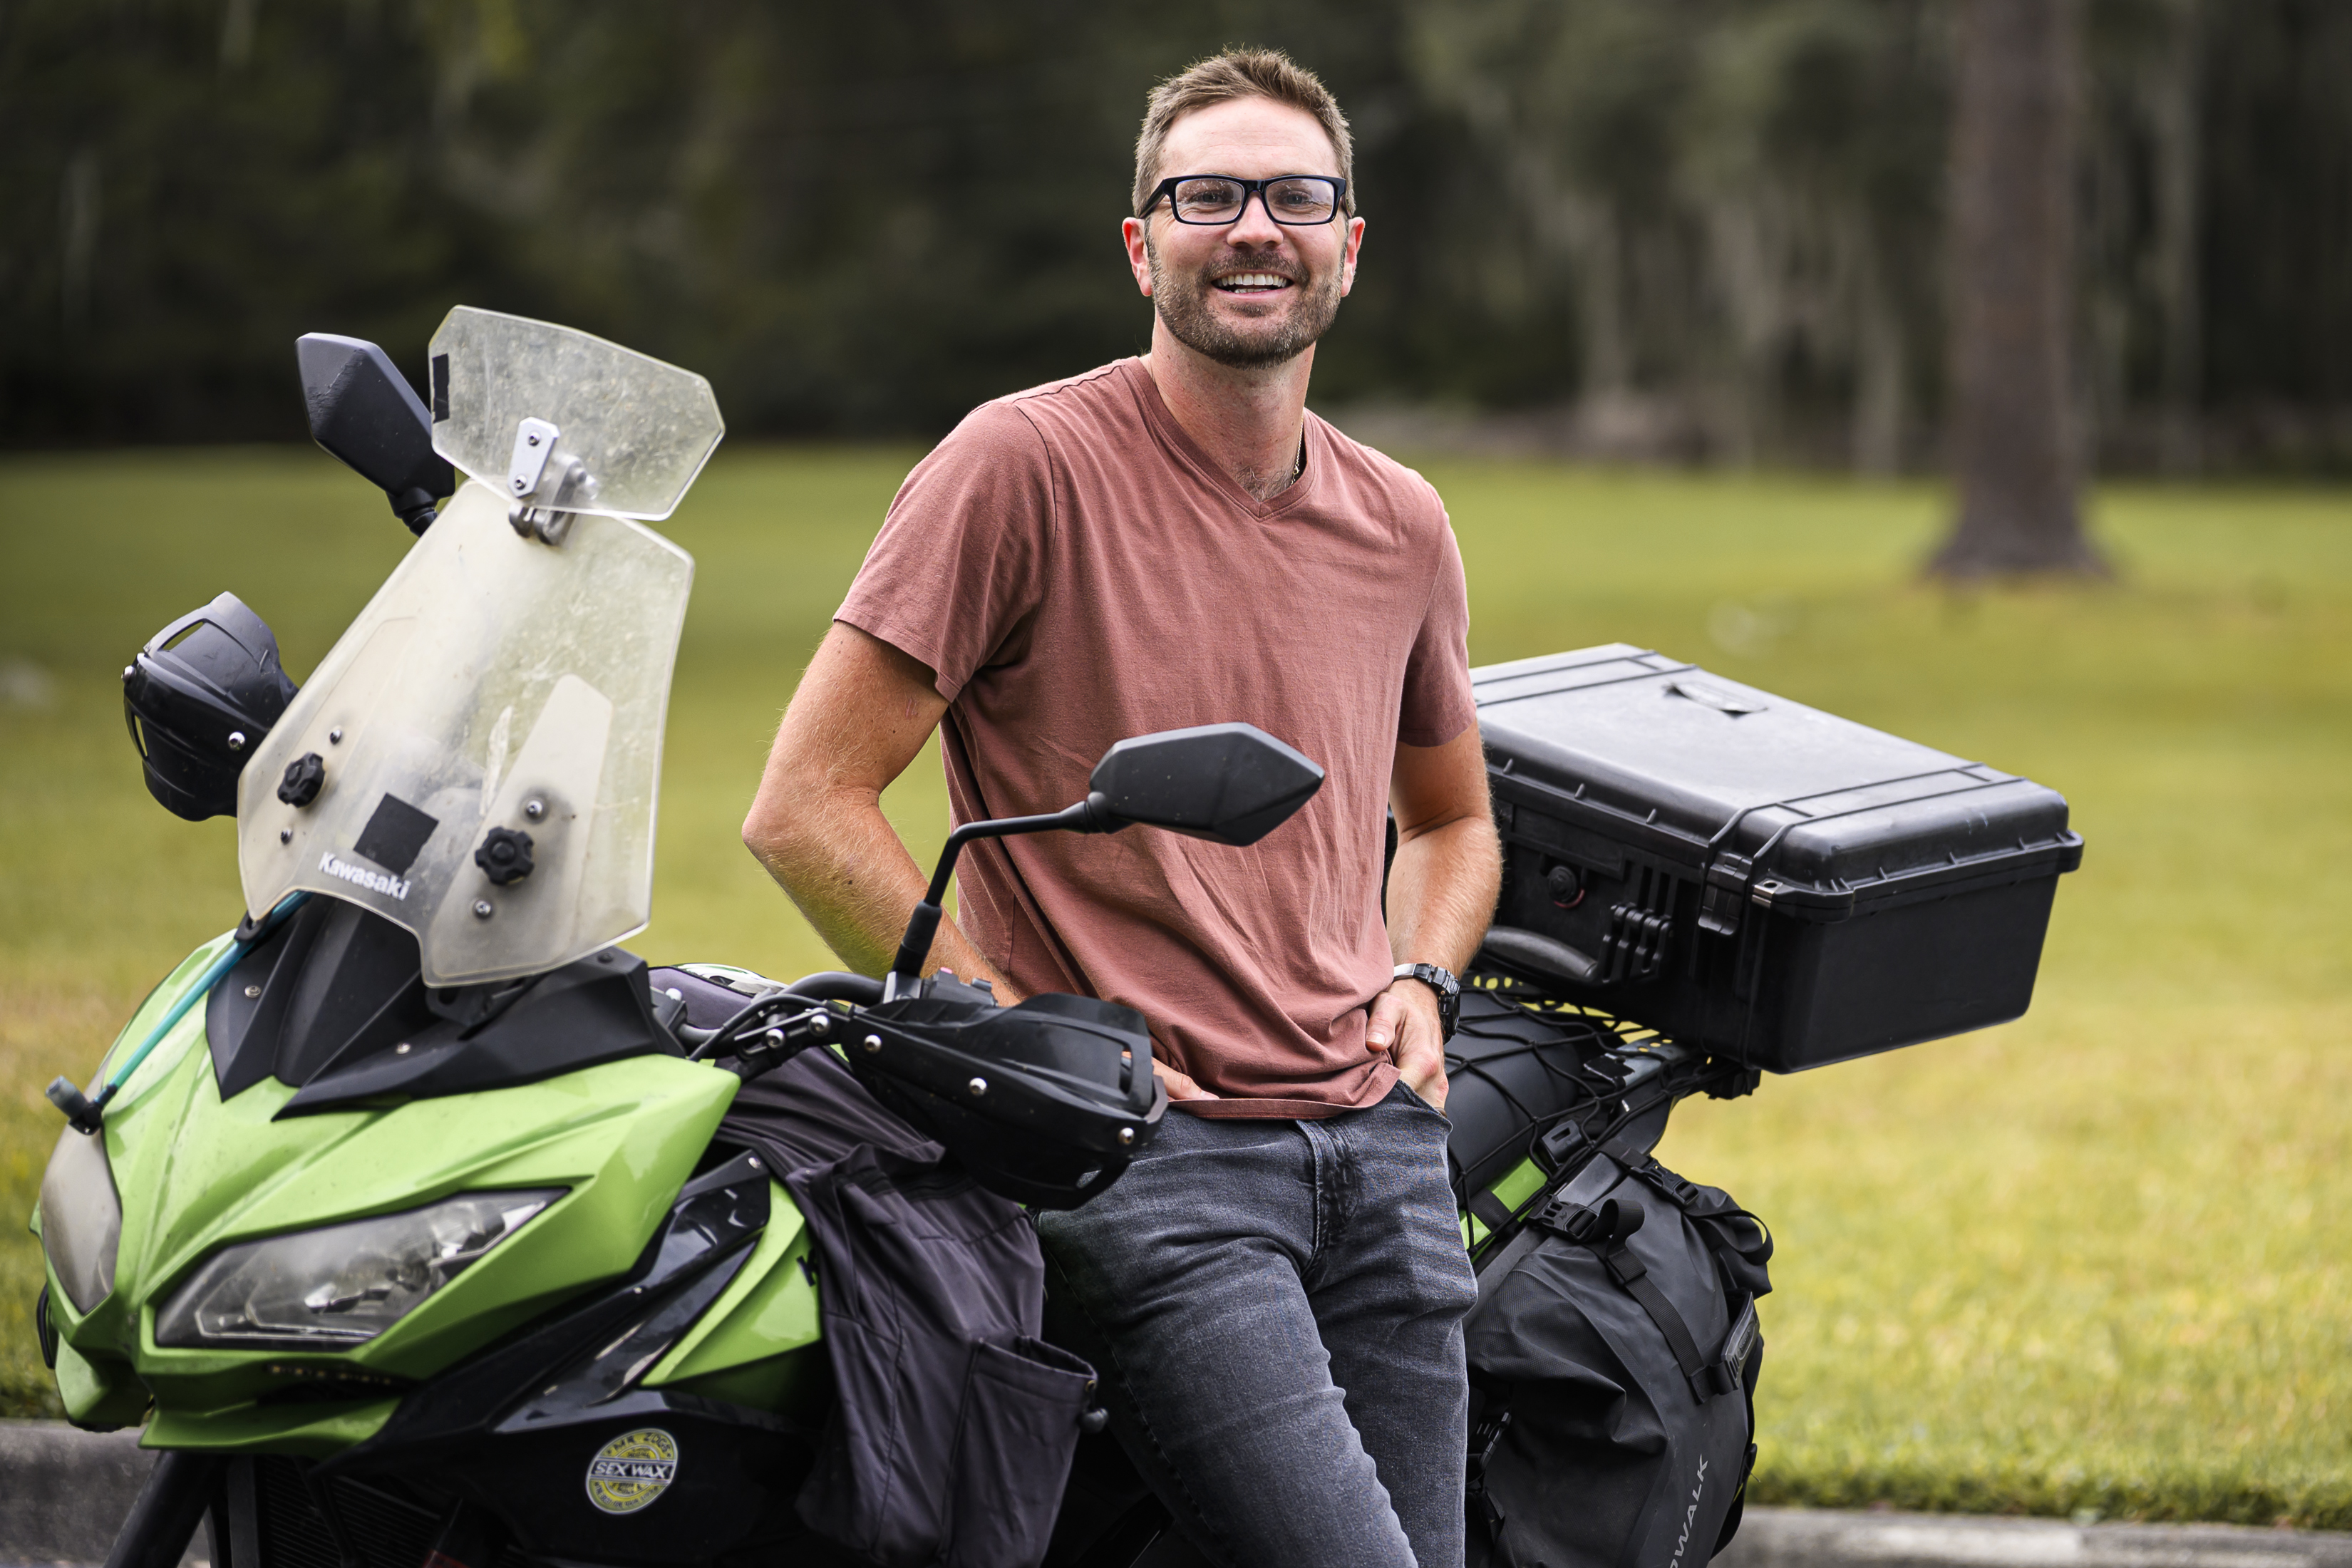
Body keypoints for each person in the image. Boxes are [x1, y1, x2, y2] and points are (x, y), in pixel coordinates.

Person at [741, 47, 1500, 1568]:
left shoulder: (1401, 518)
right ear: (1143, 242)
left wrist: (1422, 976)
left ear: (1349, 245)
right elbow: (807, 803)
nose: (1255, 228)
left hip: (1380, 1150)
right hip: (1156, 1165)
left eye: (1297, 195)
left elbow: (1452, 819)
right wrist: (1013, 1032)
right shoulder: (1017, 465)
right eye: (1207, 194)